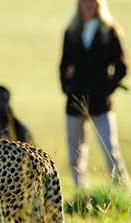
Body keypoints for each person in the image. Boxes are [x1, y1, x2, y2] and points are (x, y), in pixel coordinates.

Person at [60, 0, 129, 189]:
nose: (88, 4)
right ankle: (82, 196)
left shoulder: (110, 31)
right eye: (84, 1)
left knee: (110, 150)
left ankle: (124, 195)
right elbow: (64, 65)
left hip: (101, 103)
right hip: (75, 101)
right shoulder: (72, 32)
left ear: (99, 4)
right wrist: (68, 87)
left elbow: (121, 66)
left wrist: (107, 88)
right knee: (75, 154)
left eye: (92, 1)